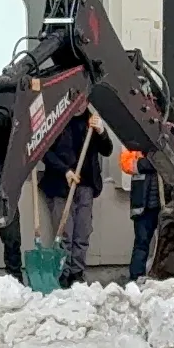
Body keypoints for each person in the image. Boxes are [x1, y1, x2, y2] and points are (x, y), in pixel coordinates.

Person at [39, 104, 113, 288]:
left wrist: (102, 131)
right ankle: (63, 275)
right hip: (60, 187)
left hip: (85, 186)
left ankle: (77, 274)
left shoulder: (91, 120)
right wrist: (65, 171)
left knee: (82, 233)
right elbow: (44, 152)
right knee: (65, 233)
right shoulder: (58, 119)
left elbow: (107, 150)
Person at [120, 136, 174, 283]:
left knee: (169, 242)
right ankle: (135, 279)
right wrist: (154, 162)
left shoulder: (172, 135)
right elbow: (127, 164)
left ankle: (167, 277)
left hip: (168, 204)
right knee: (142, 242)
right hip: (144, 204)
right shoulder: (134, 139)